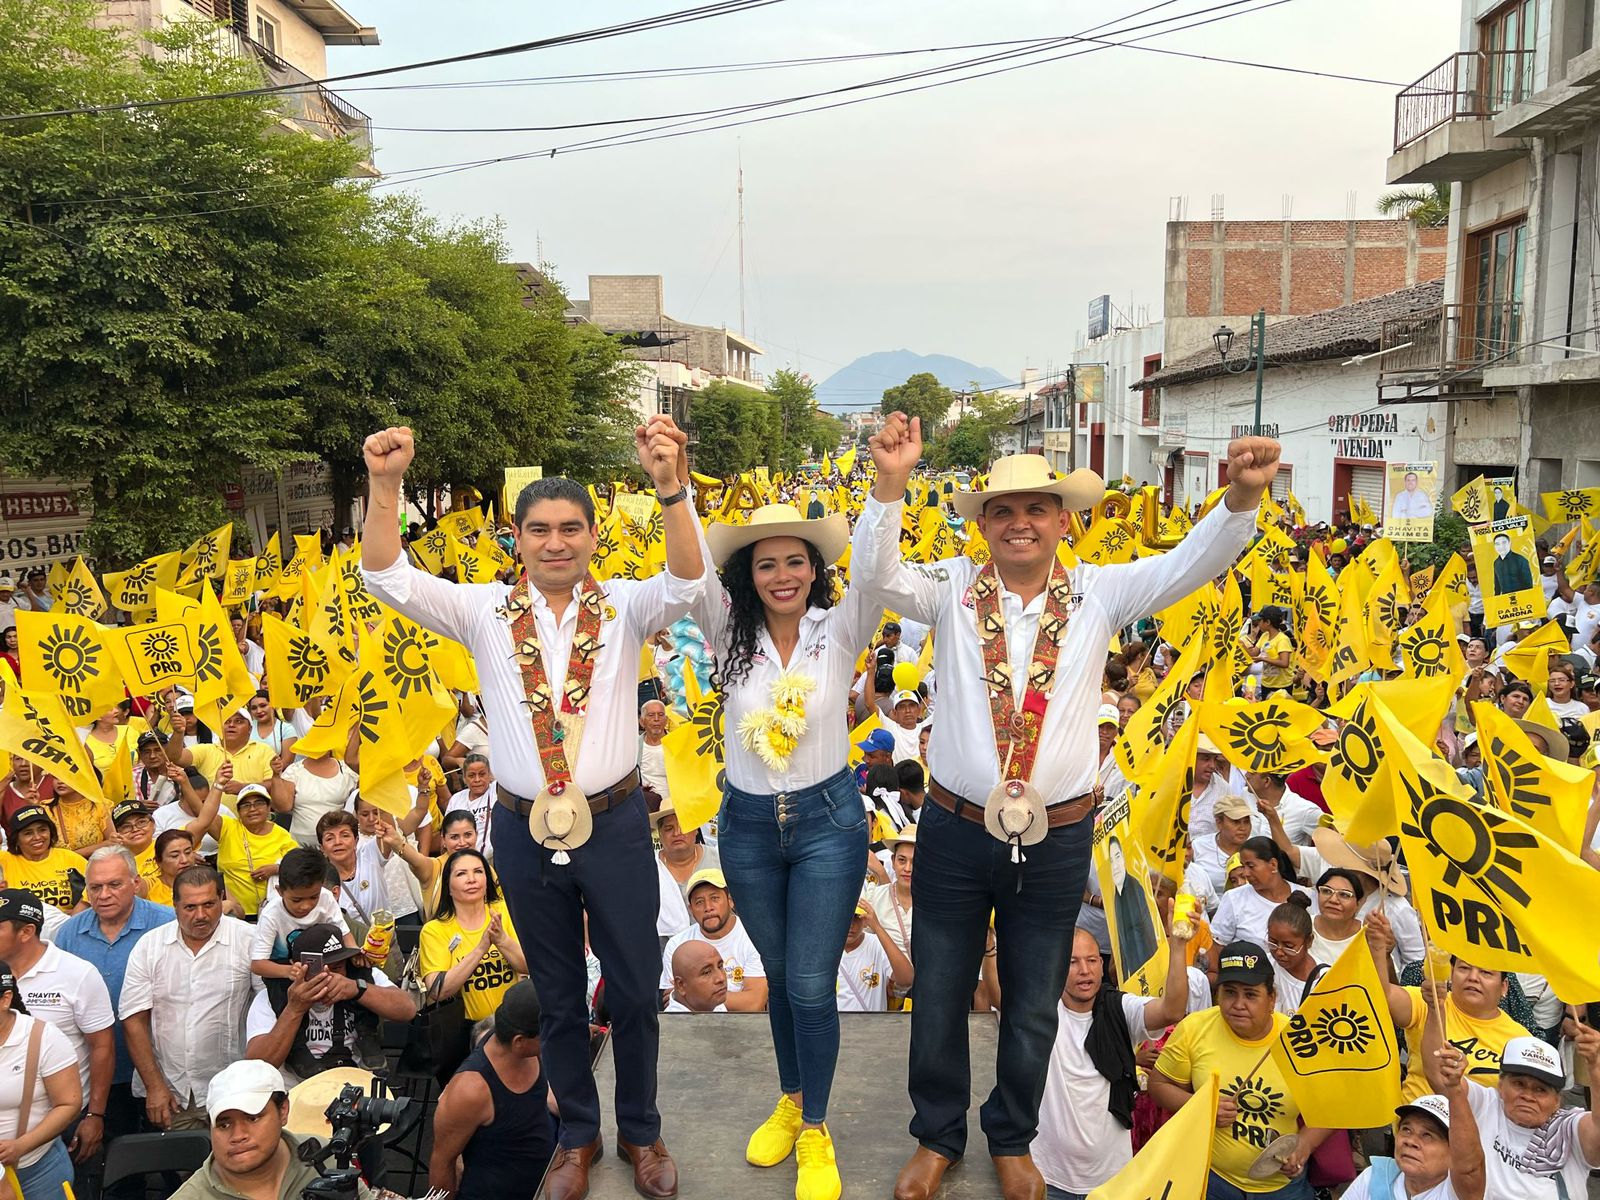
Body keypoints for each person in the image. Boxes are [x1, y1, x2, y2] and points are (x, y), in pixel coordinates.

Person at [856, 417, 1278, 1200]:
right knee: (941, 989)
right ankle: (938, 1137)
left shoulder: (1100, 591)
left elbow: (1193, 561)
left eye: (1037, 509)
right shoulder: (949, 588)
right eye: (1004, 511)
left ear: (1062, 519)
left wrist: (1242, 496)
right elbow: (875, 576)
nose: (1021, 524)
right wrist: (889, 485)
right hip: (953, 825)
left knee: (1034, 994)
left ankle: (1012, 1137)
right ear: (983, 523)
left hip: (1055, 836)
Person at [364, 418, 699, 1200]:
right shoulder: (481, 610)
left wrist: (670, 485)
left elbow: (688, 579)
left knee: (634, 980)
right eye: (540, 529)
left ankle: (641, 1134)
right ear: (516, 538)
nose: (557, 543)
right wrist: (385, 486)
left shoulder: (624, 605)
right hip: (519, 825)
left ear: (592, 536)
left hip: (613, 824)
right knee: (553, 994)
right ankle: (576, 1138)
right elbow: (385, 574)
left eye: (571, 529)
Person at [688, 490, 881, 1200]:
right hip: (745, 825)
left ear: (815, 567)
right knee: (776, 974)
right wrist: (675, 486)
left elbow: (881, 566)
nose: (781, 575)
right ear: (747, 575)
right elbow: (689, 567)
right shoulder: (724, 626)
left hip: (827, 823)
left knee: (807, 983)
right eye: (765, 563)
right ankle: (792, 1097)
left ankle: (818, 1128)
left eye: (796, 561)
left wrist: (886, 487)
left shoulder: (843, 625)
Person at [1151, 941, 1330, 1198]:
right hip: (1211, 1180)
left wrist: (1304, 1146)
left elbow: (1331, 1107)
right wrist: (1204, 1107)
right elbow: (1159, 1086)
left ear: (1272, 999)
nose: (1238, 1004)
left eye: (1250, 994)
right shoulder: (1194, 1029)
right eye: (1229, 992)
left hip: (1282, 1188)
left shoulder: (1299, 1040)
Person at [1034, 927, 1190, 1200]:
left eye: (1092, 960)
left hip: (1112, 1179)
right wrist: (990, 948)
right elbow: (999, 993)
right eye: (1072, 962)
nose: (1085, 970)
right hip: (1049, 1177)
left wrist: (1177, 945)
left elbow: (1172, 1010)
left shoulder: (1120, 1008)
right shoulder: (1039, 1012)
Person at [54, 846, 176, 1173]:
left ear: (136, 883)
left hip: (158, 1067)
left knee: (166, 1163)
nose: (104, 895)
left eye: (114, 885)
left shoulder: (167, 925)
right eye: (95, 887)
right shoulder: (68, 933)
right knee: (114, 1168)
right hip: (97, 1074)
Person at [120, 866, 258, 1130]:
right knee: (184, 1168)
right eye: (190, 907)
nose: (201, 915)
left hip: (232, 1090)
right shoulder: (149, 947)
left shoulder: (249, 941)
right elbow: (133, 1021)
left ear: (222, 899)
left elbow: (267, 1011)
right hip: (170, 1094)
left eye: (209, 904)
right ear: (174, 906)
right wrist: (155, 1087)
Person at [0, 888, 115, 1172]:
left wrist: (95, 1115)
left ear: (26, 932)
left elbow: (102, 1046)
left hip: (65, 1122)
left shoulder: (76, 973)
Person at [1422, 1023, 1600, 1200]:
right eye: (1519, 1084)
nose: (1528, 1096)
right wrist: (1433, 1006)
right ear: (1501, 1085)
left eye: (1540, 1090)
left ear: (1557, 1101)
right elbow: (1439, 1076)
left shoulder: (1569, 1129)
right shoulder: (1485, 1103)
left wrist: (1596, 1068)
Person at [1367, 910, 1527, 1102]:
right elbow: (1381, 996)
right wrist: (1377, 948)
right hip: (1417, 1123)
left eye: (1485, 973)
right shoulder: (1427, 1000)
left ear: (1504, 987)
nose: (1473, 977)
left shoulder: (1519, 1039)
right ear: (1451, 974)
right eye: (1464, 968)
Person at [170, 1059, 379, 1200]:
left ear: (283, 1111)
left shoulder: (322, 1154)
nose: (238, 1135)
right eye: (224, 1124)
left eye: (253, 1118)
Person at [244, 923, 415, 1087]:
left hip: (356, 1086)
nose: (328, 976)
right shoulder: (272, 996)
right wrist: (294, 1009)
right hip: (295, 1092)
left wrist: (357, 989)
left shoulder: (361, 977)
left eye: (337, 967)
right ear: (296, 968)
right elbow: (258, 1065)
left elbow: (408, 1009)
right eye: (317, 970)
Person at [429, 980, 554, 1200]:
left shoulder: (530, 1047)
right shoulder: (471, 1090)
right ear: (519, 1041)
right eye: (545, 1035)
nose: (552, 1039)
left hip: (543, 1186)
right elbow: (442, 1161)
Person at [418, 848, 528, 1025]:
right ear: (448, 886)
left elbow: (529, 967)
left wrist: (502, 940)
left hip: (513, 1023)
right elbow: (437, 990)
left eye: (478, 871)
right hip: (464, 1029)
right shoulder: (434, 930)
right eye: (461, 874)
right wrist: (480, 949)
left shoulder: (504, 913)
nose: (472, 879)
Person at [0, 959, 81, 1200]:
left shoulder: (43, 1038)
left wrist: (20, 1146)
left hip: (38, 1170)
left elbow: (69, 1103)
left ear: (5, 999)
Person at [1342, 1084, 1484, 1200]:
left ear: (1454, 1151)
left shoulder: (1461, 1194)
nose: (1410, 1141)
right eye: (1406, 1130)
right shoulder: (1374, 1177)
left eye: (1427, 1135)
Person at [658, 868, 768, 1013]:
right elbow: (673, 1006)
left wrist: (696, 995)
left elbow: (754, 1003)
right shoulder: (678, 945)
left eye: (715, 898)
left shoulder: (754, 936)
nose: (708, 908)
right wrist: (737, 998)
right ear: (691, 909)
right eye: (699, 902)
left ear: (731, 901)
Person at [206, 782, 298, 918]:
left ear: (269, 808)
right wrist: (217, 785)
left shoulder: (282, 835)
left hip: (273, 913)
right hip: (233, 913)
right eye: (246, 805)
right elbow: (203, 814)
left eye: (259, 803)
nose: (252, 809)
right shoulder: (228, 827)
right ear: (238, 811)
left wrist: (276, 869)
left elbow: (299, 866)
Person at [1210, 837, 1314, 956]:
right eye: (1244, 866)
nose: (1246, 873)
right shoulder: (1234, 898)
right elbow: (1217, 945)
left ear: (1273, 865)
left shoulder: (1307, 896)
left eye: (1251, 866)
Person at [270, 738, 356, 848]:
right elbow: (283, 807)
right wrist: (276, 776)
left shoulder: (346, 770)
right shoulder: (294, 770)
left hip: (336, 845)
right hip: (300, 845)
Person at [652, 801, 718, 943]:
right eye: (669, 828)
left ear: (696, 830)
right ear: (660, 834)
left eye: (684, 825)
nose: (677, 833)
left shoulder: (719, 859)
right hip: (667, 950)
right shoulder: (649, 868)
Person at [0, 805, 87, 911]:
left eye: (42, 830)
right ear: (16, 839)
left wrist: (73, 918)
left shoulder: (70, 858)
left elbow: (97, 886)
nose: (37, 837)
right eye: (28, 833)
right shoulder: (4, 860)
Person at [835, 896, 909, 1013]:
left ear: (865, 921)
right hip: (836, 1028)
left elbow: (907, 979)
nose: (850, 925)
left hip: (872, 1028)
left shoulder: (877, 944)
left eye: (856, 917)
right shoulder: (823, 950)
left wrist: (877, 927)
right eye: (844, 917)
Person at [1105, 834, 1158, 976]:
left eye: (1117, 857)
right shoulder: (1115, 894)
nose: (1115, 865)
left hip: (1146, 973)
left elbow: (1148, 933)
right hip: (1128, 978)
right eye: (1111, 860)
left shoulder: (1135, 888)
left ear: (1123, 858)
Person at [445, 754, 496, 862]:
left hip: (494, 860)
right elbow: (447, 832)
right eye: (472, 775)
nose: (477, 779)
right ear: (464, 778)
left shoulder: (497, 791)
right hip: (462, 861)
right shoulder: (456, 799)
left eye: (482, 774)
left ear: (490, 775)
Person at [666, 941, 729, 1013]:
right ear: (681, 985)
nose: (721, 978)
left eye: (720, 966)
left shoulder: (713, 1004)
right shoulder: (672, 1023)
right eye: (707, 972)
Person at [1248, 607, 1295, 697]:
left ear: (1268, 622)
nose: (1258, 623)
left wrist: (1264, 659)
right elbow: (1254, 653)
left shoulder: (1282, 639)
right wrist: (1241, 645)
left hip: (1282, 686)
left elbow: (1284, 663)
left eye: (1260, 621)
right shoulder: (1264, 636)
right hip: (1266, 683)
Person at [639, 699, 671, 800]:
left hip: (673, 803)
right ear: (642, 722)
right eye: (651, 715)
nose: (656, 719)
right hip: (646, 803)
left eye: (661, 714)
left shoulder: (676, 745)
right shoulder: (635, 747)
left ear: (666, 720)